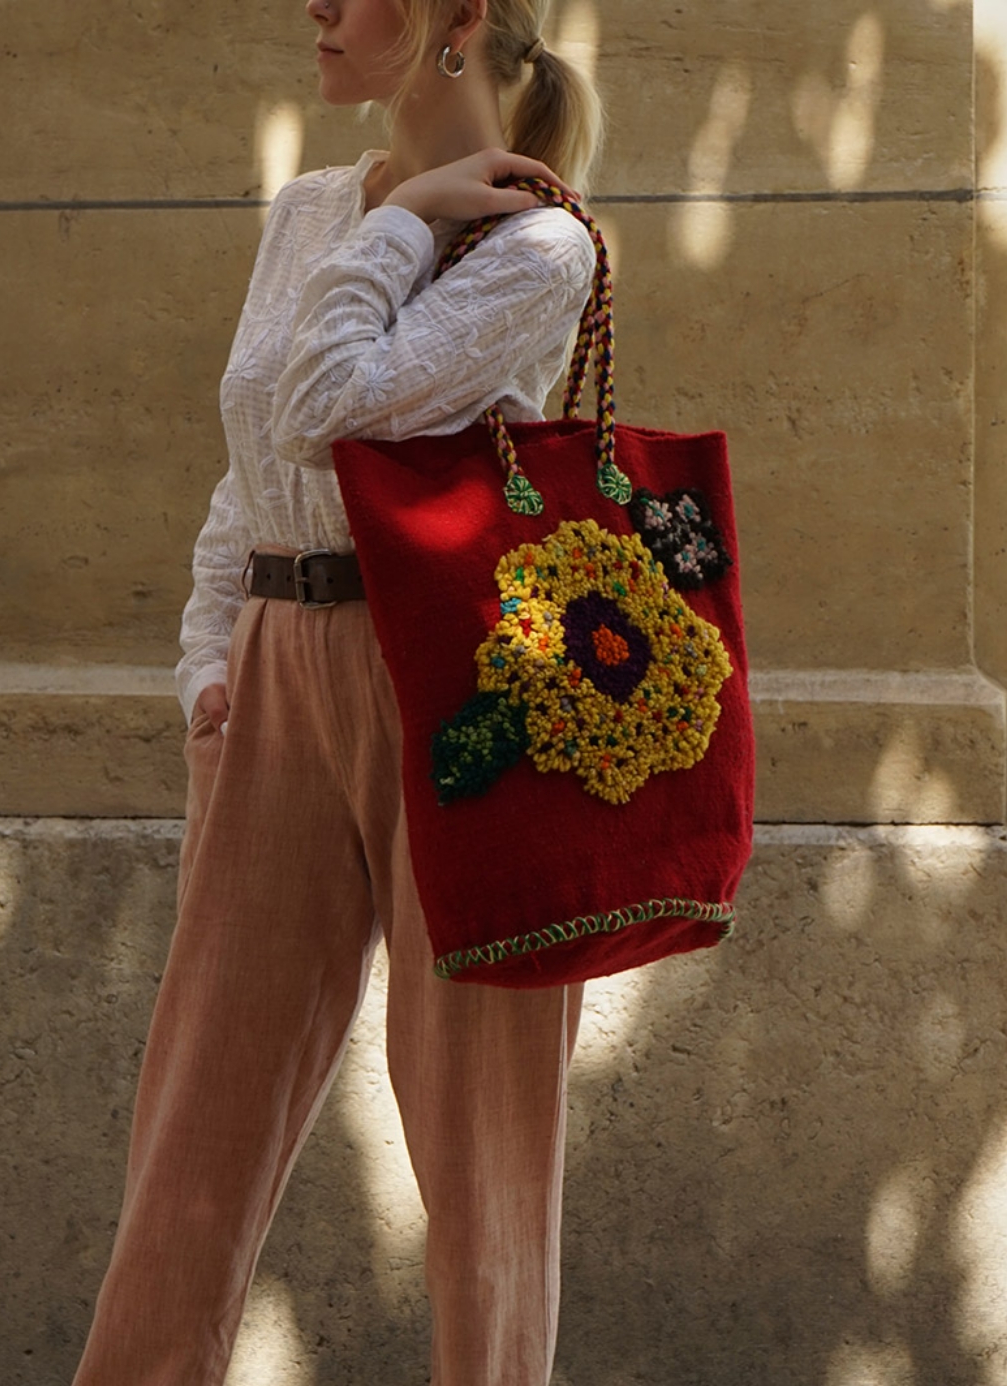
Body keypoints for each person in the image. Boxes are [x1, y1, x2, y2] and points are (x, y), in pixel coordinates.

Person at [72, 1, 603, 1383]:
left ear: (456, 19)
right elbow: (250, 459)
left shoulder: (539, 244)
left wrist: (417, 215)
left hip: (461, 697)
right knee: (194, 1131)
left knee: (485, 1154)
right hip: (272, 672)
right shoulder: (309, 207)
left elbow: (331, 393)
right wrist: (207, 656)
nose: (314, 4)